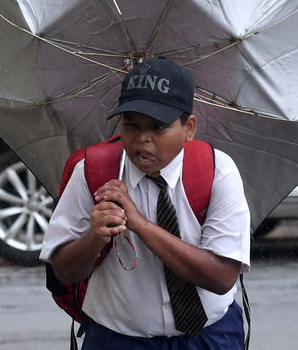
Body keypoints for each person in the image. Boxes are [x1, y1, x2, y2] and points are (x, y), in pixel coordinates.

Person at [40, 57, 251, 349]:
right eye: (131, 124)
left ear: (188, 127)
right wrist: (94, 238)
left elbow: (221, 277)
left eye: (158, 127)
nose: (142, 138)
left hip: (208, 336)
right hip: (118, 339)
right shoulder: (93, 171)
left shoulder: (217, 171)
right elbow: (63, 272)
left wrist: (140, 225)